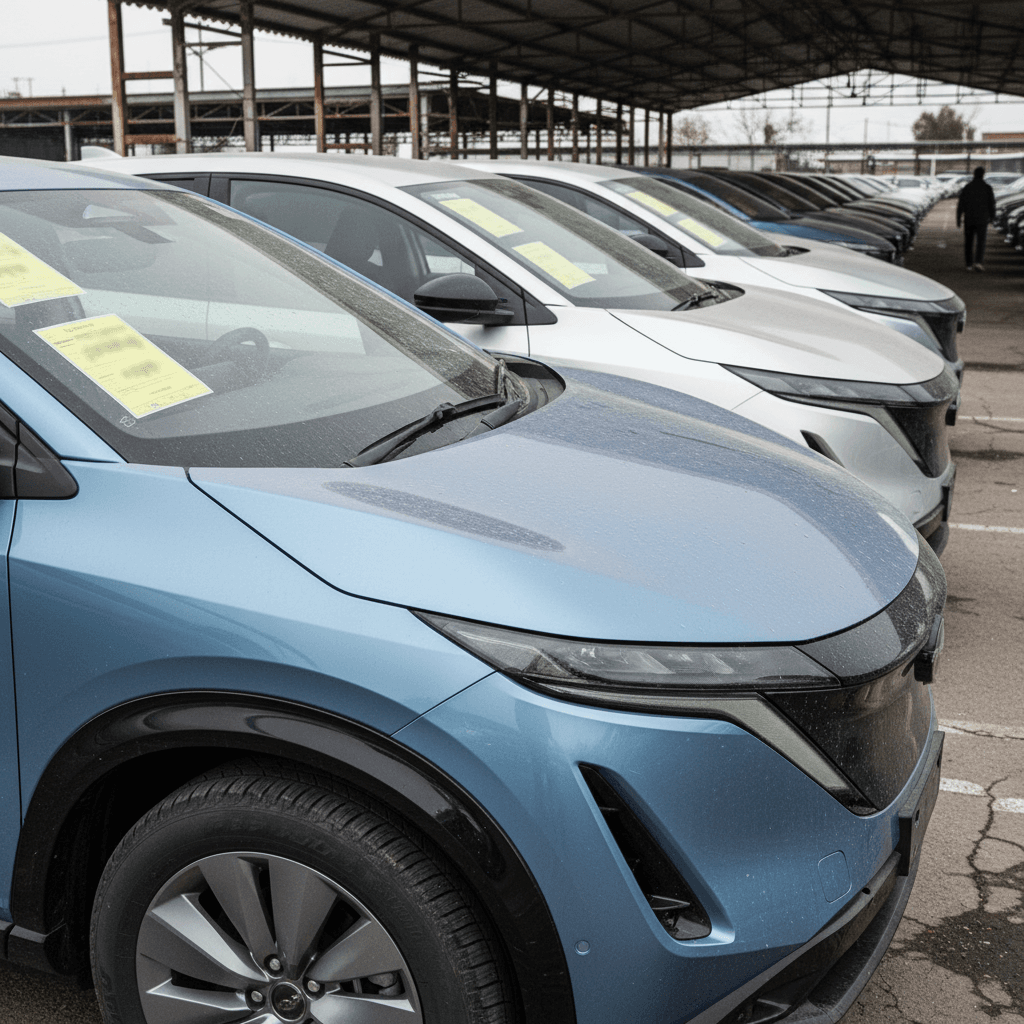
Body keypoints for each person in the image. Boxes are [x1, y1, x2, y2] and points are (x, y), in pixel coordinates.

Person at [956, 167, 996, 271]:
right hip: (982, 219)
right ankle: (978, 262)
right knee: (981, 241)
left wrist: (958, 218)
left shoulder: (968, 187)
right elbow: (992, 204)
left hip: (969, 218)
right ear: (983, 175)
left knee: (968, 242)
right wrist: (992, 217)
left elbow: (961, 204)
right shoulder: (987, 188)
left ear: (974, 174)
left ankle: (968, 264)